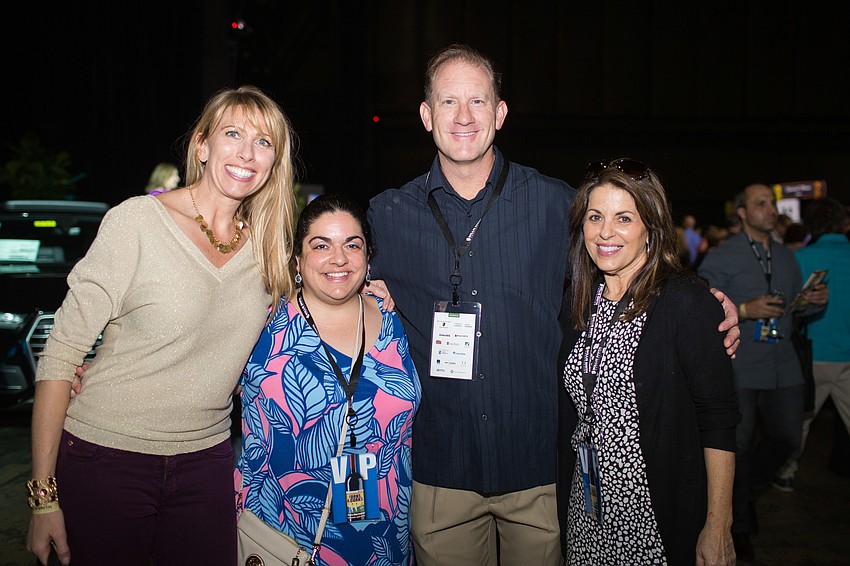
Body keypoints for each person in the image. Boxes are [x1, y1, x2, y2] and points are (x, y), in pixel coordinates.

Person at [368, 43, 741, 565]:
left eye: (478, 101)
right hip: (440, 468)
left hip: (541, 471)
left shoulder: (557, 203)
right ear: (427, 115)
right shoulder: (386, 214)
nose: (464, 116)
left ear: (499, 113)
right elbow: (336, 283)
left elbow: (624, 265)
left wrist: (708, 301)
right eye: (449, 102)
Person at [26, 85, 299, 566]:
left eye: (263, 142)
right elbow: (61, 353)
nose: (246, 153)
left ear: (275, 162)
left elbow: (305, 315)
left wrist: (375, 293)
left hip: (208, 462)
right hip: (106, 456)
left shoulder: (268, 250)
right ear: (202, 145)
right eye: (232, 133)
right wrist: (44, 499)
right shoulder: (137, 222)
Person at [560, 158, 739, 565]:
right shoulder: (580, 304)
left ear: (651, 229)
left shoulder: (684, 302)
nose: (606, 232)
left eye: (624, 218)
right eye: (595, 217)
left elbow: (718, 417)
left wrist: (718, 525)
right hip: (586, 508)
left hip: (653, 514)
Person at [236, 194, 420, 565]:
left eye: (352, 245)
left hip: (383, 539)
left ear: (368, 258)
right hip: (283, 537)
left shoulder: (396, 319)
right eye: (321, 246)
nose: (339, 259)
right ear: (298, 260)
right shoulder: (261, 321)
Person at [698, 183, 828, 562]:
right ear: (742, 213)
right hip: (741, 362)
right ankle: (737, 526)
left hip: (783, 361)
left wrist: (809, 303)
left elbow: (792, 307)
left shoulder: (788, 256)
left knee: (789, 437)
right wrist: (745, 308)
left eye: (771, 203)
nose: (769, 209)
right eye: (760, 204)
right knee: (734, 446)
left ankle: (749, 491)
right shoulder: (723, 255)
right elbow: (703, 307)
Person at [773, 197, 850, 491]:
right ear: (845, 223)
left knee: (802, 418)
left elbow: (787, 305)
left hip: (817, 351)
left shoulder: (801, 259)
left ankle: (787, 472)